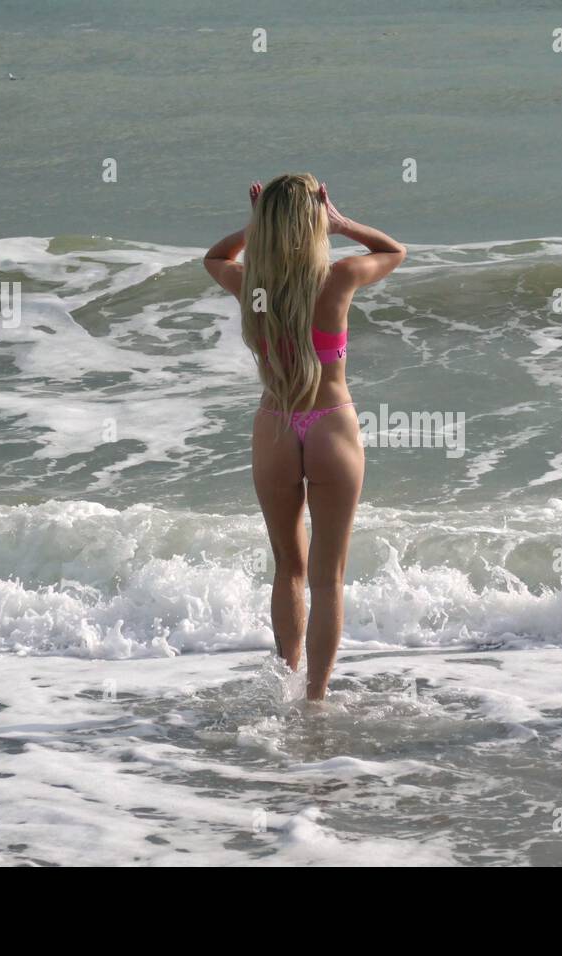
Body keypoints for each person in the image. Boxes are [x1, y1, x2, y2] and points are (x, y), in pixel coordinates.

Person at [203, 173, 405, 700]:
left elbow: (213, 258)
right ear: (316, 220)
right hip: (330, 424)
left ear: (266, 225)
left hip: (275, 424)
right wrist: (340, 222)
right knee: (327, 576)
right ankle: (315, 699)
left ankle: (285, 682)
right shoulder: (339, 279)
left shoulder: (253, 287)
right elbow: (393, 250)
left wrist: (253, 229)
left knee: (288, 567)